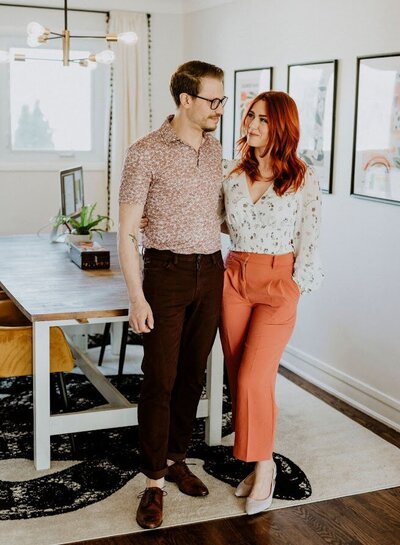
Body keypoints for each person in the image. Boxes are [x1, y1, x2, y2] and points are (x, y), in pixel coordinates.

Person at [118, 60, 227, 529]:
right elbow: (125, 233)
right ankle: (154, 481)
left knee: (192, 376)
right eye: (213, 100)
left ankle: (178, 457)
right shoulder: (144, 153)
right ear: (185, 100)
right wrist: (136, 296)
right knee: (159, 378)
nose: (220, 109)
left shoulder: (216, 147)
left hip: (212, 270)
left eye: (222, 100)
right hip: (165, 271)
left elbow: (218, 214)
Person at [220, 91, 323, 515]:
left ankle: (264, 469)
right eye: (250, 117)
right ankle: (257, 463)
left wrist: (295, 286)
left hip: (279, 282)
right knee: (239, 378)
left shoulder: (303, 177)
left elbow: (311, 239)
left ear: (282, 126)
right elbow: (219, 222)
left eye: (263, 119)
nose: (252, 125)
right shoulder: (232, 172)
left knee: (252, 379)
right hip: (234, 279)